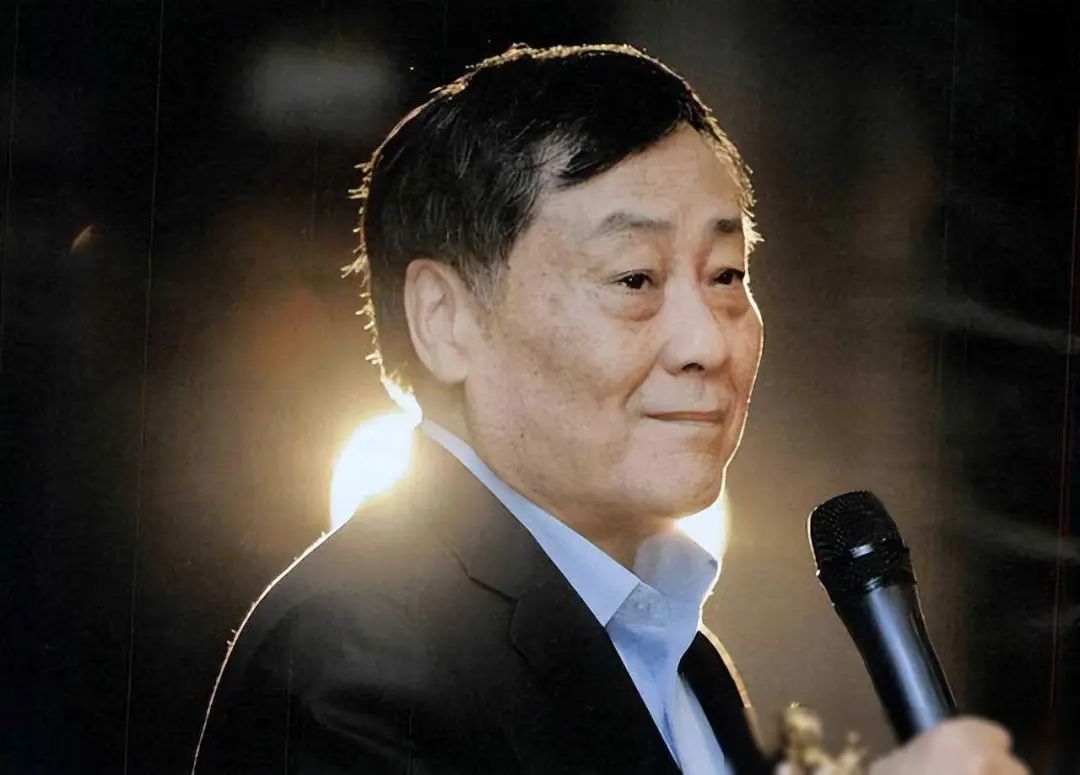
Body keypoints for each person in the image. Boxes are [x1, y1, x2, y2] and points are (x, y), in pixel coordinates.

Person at [193, 43, 1028, 774]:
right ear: (446, 320)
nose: (707, 341)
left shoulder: (682, 657)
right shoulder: (353, 655)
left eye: (727, 276)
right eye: (635, 278)